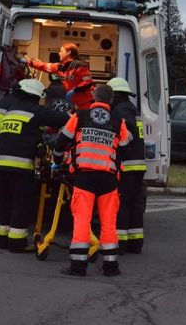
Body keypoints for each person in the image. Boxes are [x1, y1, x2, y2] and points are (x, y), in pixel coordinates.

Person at [53, 85, 132, 277]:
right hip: (108, 179)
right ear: (111, 101)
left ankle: (78, 266)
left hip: (84, 177)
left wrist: (57, 160)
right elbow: (125, 148)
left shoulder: (79, 116)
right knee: (109, 222)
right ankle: (111, 266)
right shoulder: (117, 121)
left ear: (93, 97)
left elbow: (61, 141)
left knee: (82, 220)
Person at [0, 79, 69, 252]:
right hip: (21, 167)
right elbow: (61, 119)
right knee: (21, 204)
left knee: (3, 202)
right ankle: (16, 243)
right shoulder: (34, 110)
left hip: (0, 165)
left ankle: (1, 240)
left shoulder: (7, 109)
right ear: (35, 96)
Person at [107, 77, 147, 254]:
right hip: (138, 164)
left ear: (115, 95)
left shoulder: (120, 110)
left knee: (122, 203)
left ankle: (121, 242)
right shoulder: (132, 108)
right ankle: (135, 242)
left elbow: (126, 134)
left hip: (127, 165)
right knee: (136, 204)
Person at [21, 43, 95, 110]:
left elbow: (88, 81)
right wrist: (29, 62)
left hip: (89, 102)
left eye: (61, 51)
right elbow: (44, 66)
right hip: (77, 103)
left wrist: (74, 90)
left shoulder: (79, 65)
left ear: (69, 52)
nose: (59, 53)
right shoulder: (60, 67)